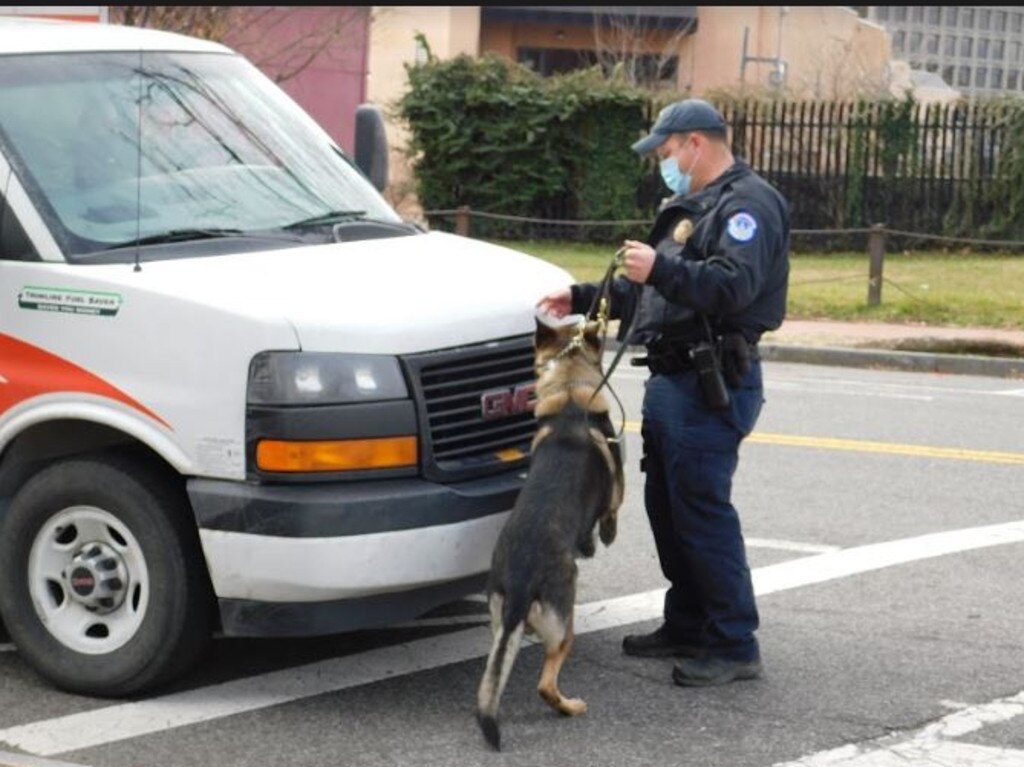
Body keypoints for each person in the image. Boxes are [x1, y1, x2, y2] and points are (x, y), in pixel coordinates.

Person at [537, 98, 789, 687]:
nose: (663, 162)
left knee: (701, 511)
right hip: (674, 379)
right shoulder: (694, 206)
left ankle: (733, 643)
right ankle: (687, 622)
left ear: (695, 144)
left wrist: (661, 270)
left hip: (711, 382)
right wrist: (580, 297)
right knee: (670, 511)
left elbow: (731, 287)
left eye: (668, 151)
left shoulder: (746, 205)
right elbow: (656, 296)